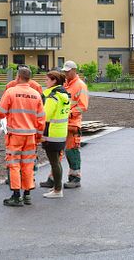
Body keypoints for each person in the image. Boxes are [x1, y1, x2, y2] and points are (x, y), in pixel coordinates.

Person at [0, 66, 45, 207]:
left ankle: (16, 196)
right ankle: (27, 194)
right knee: (28, 164)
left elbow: (0, 113)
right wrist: (38, 137)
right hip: (30, 135)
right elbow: (41, 119)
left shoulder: (11, 91)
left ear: (18, 77)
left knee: (14, 164)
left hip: (15, 135)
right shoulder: (36, 94)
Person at [39, 71, 71, 198]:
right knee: (57, 161)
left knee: (54, 162)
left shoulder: (53, 97)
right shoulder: (64, 95)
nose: (45, 82)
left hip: (51, 133)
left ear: (54, 81)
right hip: (61, 132)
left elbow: (45, 115)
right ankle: (57, 188)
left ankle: (58, 190)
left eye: (47, 80)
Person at [61, 60, 89, 188]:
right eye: (65, 71)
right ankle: (54, 177)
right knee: (61, 151)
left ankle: (75, 177)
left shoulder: (80, 85)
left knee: (72, 150)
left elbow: (83, 106)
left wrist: (69, 113)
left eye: (68, 71)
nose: (66, 73)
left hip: (72, 123)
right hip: (63, 123)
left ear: (74, 70)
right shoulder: (66, 84)